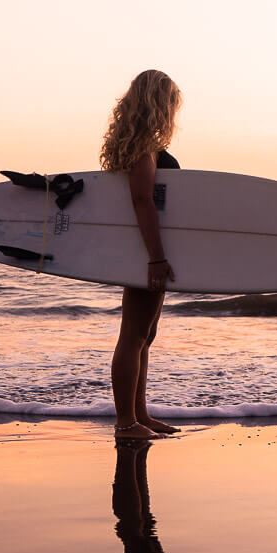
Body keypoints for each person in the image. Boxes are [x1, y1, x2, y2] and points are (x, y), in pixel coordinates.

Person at [100, 70, 183, 439]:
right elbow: (142, 202)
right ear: (158, 104)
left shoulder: (140, 144)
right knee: (133, 336)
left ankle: (140, 415)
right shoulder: (142, 149)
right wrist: (155, 257)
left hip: (146, 248)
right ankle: (125, 423)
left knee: (144, 335)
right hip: (145, 251)